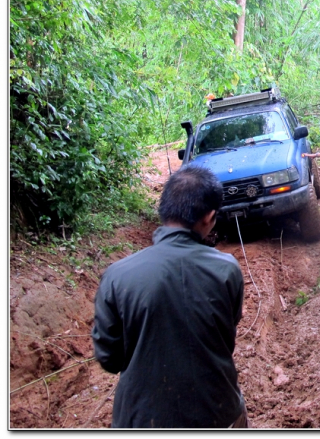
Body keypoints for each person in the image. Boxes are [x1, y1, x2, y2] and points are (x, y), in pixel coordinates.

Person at [91, 165, 248, 428]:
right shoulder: (227, 268)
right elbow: (225, 339)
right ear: (209, 217)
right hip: (218, 414)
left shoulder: (117, 275)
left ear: (164, 212)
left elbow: (109, 358)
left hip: (141, 421)